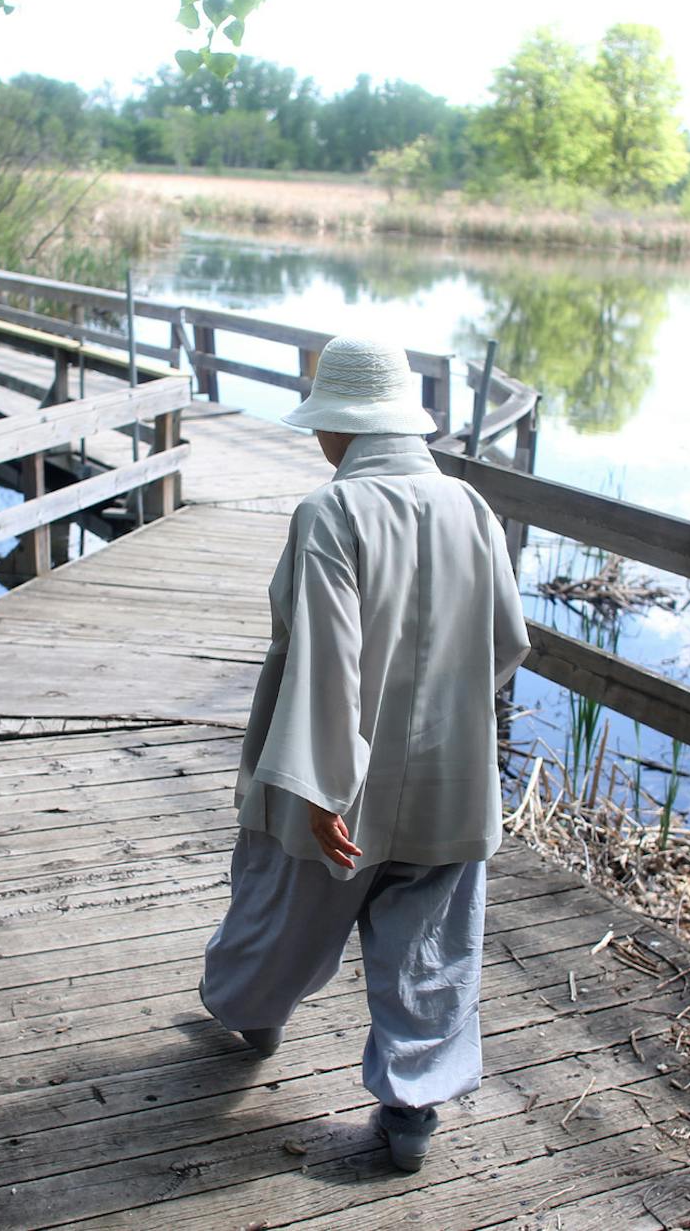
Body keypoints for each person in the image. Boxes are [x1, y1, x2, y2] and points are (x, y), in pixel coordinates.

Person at [198, 334, 532, 1173]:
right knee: (430, 947)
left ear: (340, 427)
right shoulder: (471, 508)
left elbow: (326, 657)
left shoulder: (331, 514)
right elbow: (506, 642)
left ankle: (254, 1015)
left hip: (336, 785)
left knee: (280, 910)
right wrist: (451, 719)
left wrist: (320, 785)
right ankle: (412, 1114)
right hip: (453, 782)